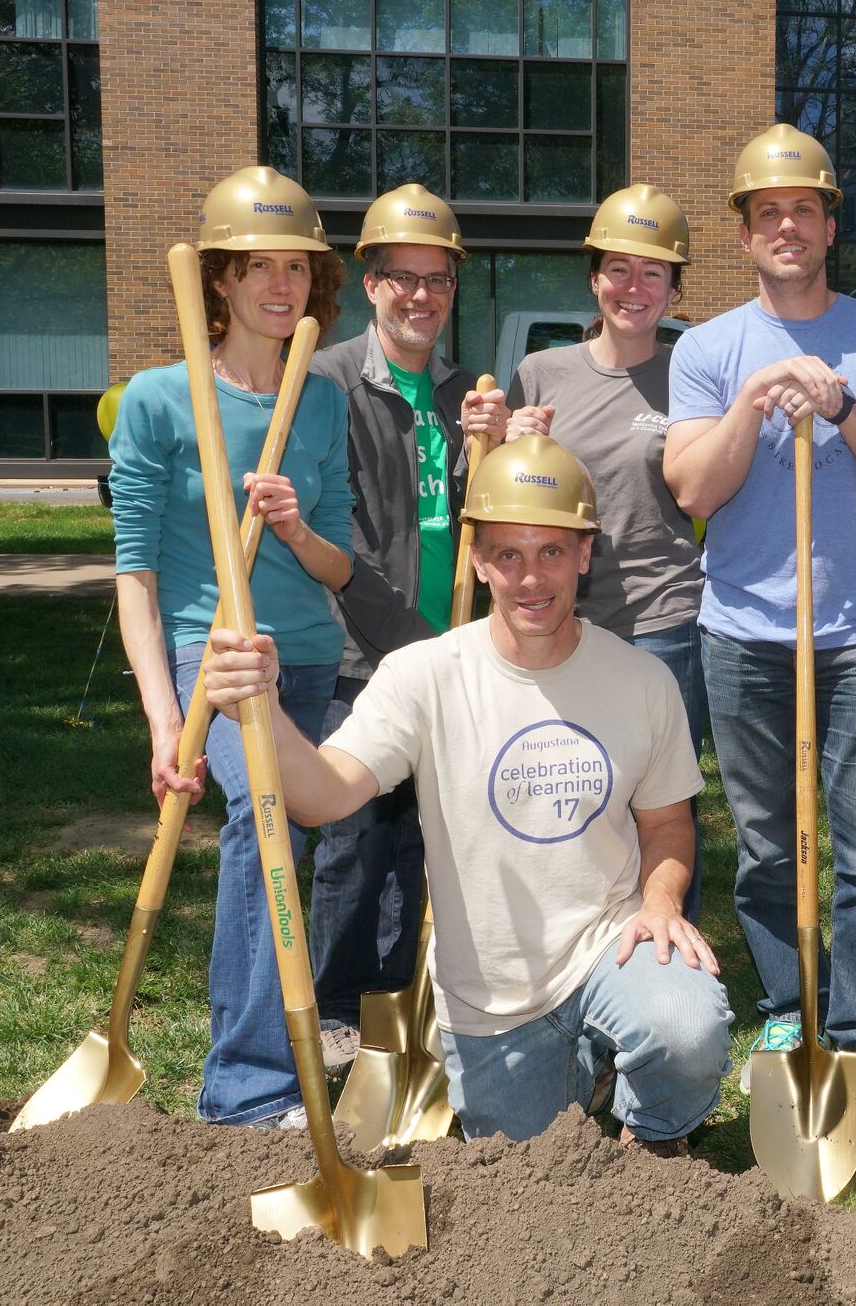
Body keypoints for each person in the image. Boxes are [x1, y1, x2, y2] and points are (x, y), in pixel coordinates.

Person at [198, 437, 731, 1151]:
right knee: (525, 1175)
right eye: (507, 554)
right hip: (491, 998)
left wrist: (661, 902)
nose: (530, 577)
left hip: (609, 946)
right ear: (478, 560)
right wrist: (259, 706)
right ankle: (587, 1073)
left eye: (550, 551)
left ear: (584, 553)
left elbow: (668, 823)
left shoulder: (641, 680)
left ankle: (657, 1129)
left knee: (686, 1027)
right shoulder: (424, 675)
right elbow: (321, 796)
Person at [663, 124, 856, 1141]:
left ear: (831, 222)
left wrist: (843, 408)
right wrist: (749, 401)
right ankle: (790, 1018)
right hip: (742, 632)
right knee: (770, 848)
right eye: (765, 212)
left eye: (803, 209)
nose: (786, 226)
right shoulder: (705, 349)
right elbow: (693, 484)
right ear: (744, 231)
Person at [107, 165, 352, 1129]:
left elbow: (338, 567)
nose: (281, 287)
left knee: (286, 837)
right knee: (265, 836)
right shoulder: (160, 401)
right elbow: (136, 575)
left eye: (295, 267)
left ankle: (263, 1065)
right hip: (212, 656)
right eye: (257, 267)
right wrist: (167, 720)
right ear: (217, 280)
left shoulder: (317, 398)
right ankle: (248, 1085)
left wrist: (294, 527)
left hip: (307, 659)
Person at [308, 182, 494, 1067]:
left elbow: (479, 525)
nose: (422, 296)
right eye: (403, 278)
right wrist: (416, 646)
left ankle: (394, 996)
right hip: (361, 651)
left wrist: (494, 450)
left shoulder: (464, 391)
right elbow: (334, 534)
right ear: (370, 282)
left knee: (421, 832)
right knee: (353, 836)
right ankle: (333, 1003)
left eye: (438, 280)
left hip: (442, 646)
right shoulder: (329, 384)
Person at [497, 184, 706, 918]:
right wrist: (505, 441)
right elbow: (509, 495)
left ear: (674, 286)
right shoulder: (543, 374)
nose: (634, 287)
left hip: (664, 614)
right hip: (558, 615)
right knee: (567, 786)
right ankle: (574, 934)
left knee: (660, 793)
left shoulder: (693, 373)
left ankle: (664, 938)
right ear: (594, 277)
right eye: (619, 268)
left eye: (654, 273)